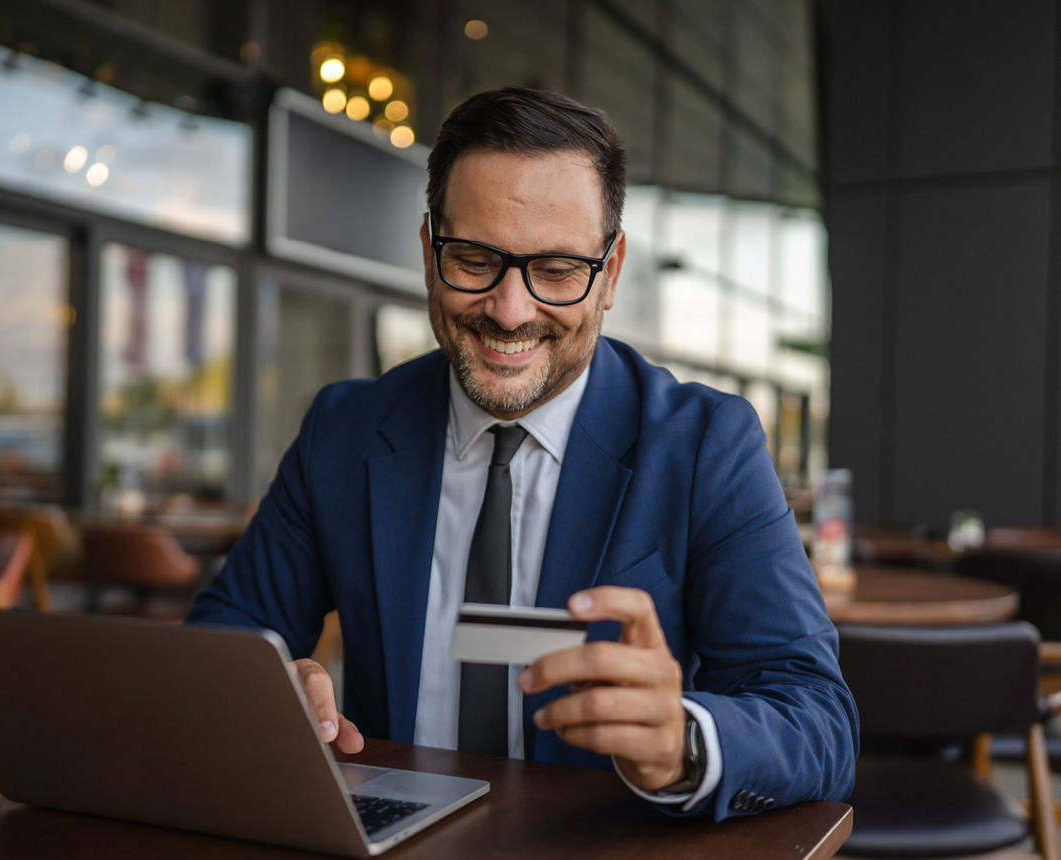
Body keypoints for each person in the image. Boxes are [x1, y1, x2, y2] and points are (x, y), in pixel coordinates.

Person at [188, 87, 858, 820]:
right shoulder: (344, 430)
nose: (510, 311)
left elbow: (816, 718)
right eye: (474, 259)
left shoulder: (706, 444)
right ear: (428, 252)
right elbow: (225, 638)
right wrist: (267, 687)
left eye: (558, 270)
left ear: (610, 272)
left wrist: (682, 743)